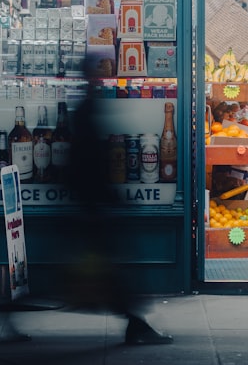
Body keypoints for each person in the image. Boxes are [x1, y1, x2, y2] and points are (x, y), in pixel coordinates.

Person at [61, 57, 173, 345]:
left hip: (90, 201)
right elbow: (89, 159)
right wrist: (110, 195)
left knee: (105, 267)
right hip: (94, 203)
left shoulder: (86, 104)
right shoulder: (88, 106)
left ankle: (133, 320)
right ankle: (134, 322)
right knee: (111, 268)